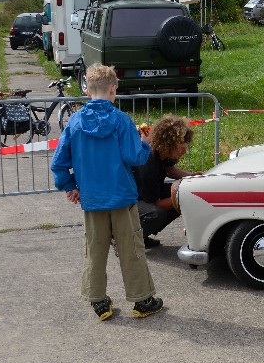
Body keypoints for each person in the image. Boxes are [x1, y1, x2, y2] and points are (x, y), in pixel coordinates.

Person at [51, 63, 164, 321]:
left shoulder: (75, 121)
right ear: (114, 89)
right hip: (121, 197)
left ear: (87, 90)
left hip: (92, 199)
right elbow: (133, 156)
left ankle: (99, 301)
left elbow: (59, 163)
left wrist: (69, 186)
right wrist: (145, 144)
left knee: (95, 249)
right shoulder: (121, 120)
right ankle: (142, 300)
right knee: (131, 248)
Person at [135, 115, 198, 247]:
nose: (184, 150)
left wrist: (192, 177)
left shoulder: (164, 153)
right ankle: (127, 241)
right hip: (127, 202)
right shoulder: (148, 161)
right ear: (168, 143)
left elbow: (170, 170)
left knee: (179, 195)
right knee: (157, 213)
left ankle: (142, 235)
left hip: (143, 197)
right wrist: (184, 194)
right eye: (181, 145)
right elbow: (156, 203)